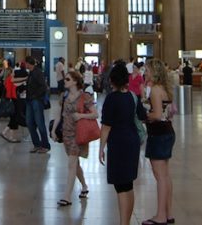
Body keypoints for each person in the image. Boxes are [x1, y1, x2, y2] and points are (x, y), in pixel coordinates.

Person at [99, 62, 142, 225]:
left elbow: (106, 126)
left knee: (121, 186)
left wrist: (101, 148)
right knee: (128, 184)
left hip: (119, 144)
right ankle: (126, 222)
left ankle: (124, 223)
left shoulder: (111, 98)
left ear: (112, 80)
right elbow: (141, 115)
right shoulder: (131, 96)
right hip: (132, 141)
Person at [143, 59, 175, 225]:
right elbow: (167, 111)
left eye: (147, 70)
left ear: (154, 72)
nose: (145, 73)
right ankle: (168, 213)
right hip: (167, 132)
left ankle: (161, 216)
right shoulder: (165, 89)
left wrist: (144, 116)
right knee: (165, 175)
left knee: (160, 176)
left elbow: (156, 115)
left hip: (158, 134)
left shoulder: (155, 90)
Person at [57, 70, 95, 207]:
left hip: (78, 134)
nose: (65, 81)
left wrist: (81, 116)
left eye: (67, 79)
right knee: (75, 163)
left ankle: (67, 196)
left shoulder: (85, 97)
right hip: (66, 134)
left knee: (71, 163)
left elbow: (95, 114)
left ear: (75, 82)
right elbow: (59, 114)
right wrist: (54, 129)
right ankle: (84, 186)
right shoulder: (64, 96)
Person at [25, 56, 50, 153]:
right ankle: (37, 144)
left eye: (26, 63)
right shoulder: (31, 73)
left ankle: (45, 145)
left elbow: (43, 86)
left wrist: (36, 96)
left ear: (28, 63)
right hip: (30, 100)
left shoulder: (38, 73)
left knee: (40, 123)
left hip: (36, 101)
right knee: (29, 122)